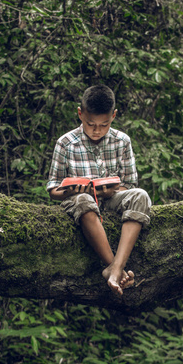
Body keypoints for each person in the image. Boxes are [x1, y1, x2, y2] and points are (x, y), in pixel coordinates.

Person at [46, 85, 151, 296]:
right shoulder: (65, 143)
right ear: (79, 113)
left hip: (111, 198)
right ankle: (112, 266)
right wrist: (71, 190)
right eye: (90, 124)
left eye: (104, 125)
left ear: (114, 116)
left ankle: (116, 267)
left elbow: (130, 184)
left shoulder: (122, 141)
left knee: (141, 195)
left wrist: (107, 190)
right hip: (79, 201)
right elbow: (53, 189)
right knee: (84, 198)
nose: (96, 130)